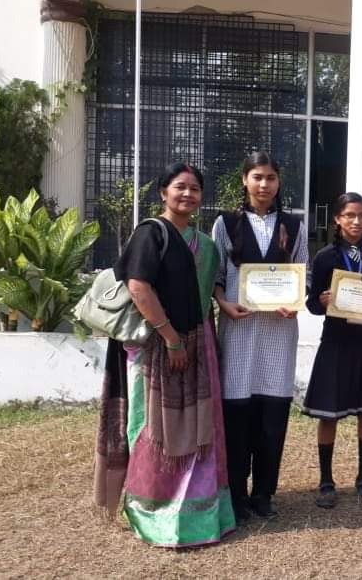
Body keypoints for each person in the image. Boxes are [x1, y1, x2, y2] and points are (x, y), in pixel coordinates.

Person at [93, 162, 235, 547]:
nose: (187, 194)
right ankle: (153, 512)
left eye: (195, 188)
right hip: (155, 348)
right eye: (180, 186)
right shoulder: (150, 234)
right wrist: (171, 338)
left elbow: (209, 291)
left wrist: (224, 307)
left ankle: (202, 514)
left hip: (199, 346)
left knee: (202, 426)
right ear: (163, 192)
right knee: (152, 427)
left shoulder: (206, 245)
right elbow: (139, 287)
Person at [211, 151, 308, 525]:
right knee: (236, 418)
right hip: (238, 332)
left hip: (278, 335)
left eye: (270, 177)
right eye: (257, 177)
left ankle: (264, 494)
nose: (264, 184)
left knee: (272, 418)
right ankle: (236, 494)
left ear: (278, 182)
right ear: (244, 180)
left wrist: (295, 302)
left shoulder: (294, 226)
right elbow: (217, 275)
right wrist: (224, 302)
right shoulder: (226, 223)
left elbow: (303, 274)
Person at [301, 192, 362, 508]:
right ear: (337, 219)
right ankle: (326, 481)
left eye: (361, 215)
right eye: (349, 215)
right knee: (328, 412)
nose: (356, 221)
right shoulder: (325, 257)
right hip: (337, 342)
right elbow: (312, 304)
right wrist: (322, 301)